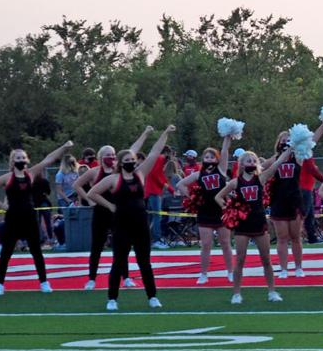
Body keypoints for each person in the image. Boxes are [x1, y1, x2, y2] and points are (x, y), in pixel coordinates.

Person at [86, 127, 175, 311]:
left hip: (140, 224)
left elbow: (154, 152)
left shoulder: (140, 174)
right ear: (120, 162)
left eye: (132, 160)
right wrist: (110, 206)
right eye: (127, 161)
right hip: (122, 225)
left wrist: (165, 133)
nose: (130, 163)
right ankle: (112, 299)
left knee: (145, 262)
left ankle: (152, 297)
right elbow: (92, 193)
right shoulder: (113, 179)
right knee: (118, 262)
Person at [0, 139, 74, 295]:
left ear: (27, 160)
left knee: (36, 252)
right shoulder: (6, 178)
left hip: (29, 218)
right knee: (6, 252)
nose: (21, 160)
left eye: (23, 158)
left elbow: (49, 159)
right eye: (18, 158)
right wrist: (2, 206)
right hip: (13, 218)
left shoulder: (31, 173)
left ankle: (44, 282)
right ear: (12, 161)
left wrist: (64, 147)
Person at [73, 127, 153, 290]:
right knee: (97, 245)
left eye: (112, 154)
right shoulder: (95, 172)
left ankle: (126, 277)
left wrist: (145, 134)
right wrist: (90, 201)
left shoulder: (120, 170)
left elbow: (133, 149)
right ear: (100, 157)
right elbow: (77, 185)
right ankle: (92, 278)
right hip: (101, 212)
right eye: (107, 155)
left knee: (121, 247)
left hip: (119, 214)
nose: (110, 157)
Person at [215, 149, 288, 304]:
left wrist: (290, 148)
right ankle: (236, 294)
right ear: (241, 164)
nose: (252, 163)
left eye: (254, 161)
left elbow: (277, 163)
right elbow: (218, 196)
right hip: (242, 225)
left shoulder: (261, 178)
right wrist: (228, 207)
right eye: (248, 161)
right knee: (240, 260)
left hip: (259, 222)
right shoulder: (235, 182)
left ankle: (272, 291)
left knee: (266, 260)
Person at [264, 121, 323, 278]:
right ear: (278, 143)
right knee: (281, 237)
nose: (286, 141)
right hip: (278, 201)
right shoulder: (274, 160)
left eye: (289, 139)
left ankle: (299, 268)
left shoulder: (299, 156)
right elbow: (257, 169)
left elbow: (312, 140)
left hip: (295, 200)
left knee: (295, 236)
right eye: (283, 139)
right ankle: (284, 269)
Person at [174, 134, 235, 284]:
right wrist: (191, 197)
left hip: (221, 210)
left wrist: (227, 137)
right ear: (203, 159)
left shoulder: (221, 170)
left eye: (212, 157)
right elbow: (180, 185)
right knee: (206, 245)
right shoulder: (197, 174)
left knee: (226, 243)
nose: (209, 159)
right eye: (206, 157)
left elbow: (225, 150)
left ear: (217, 159)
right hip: (205, 212)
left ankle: (230, 272)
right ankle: (203, 274)